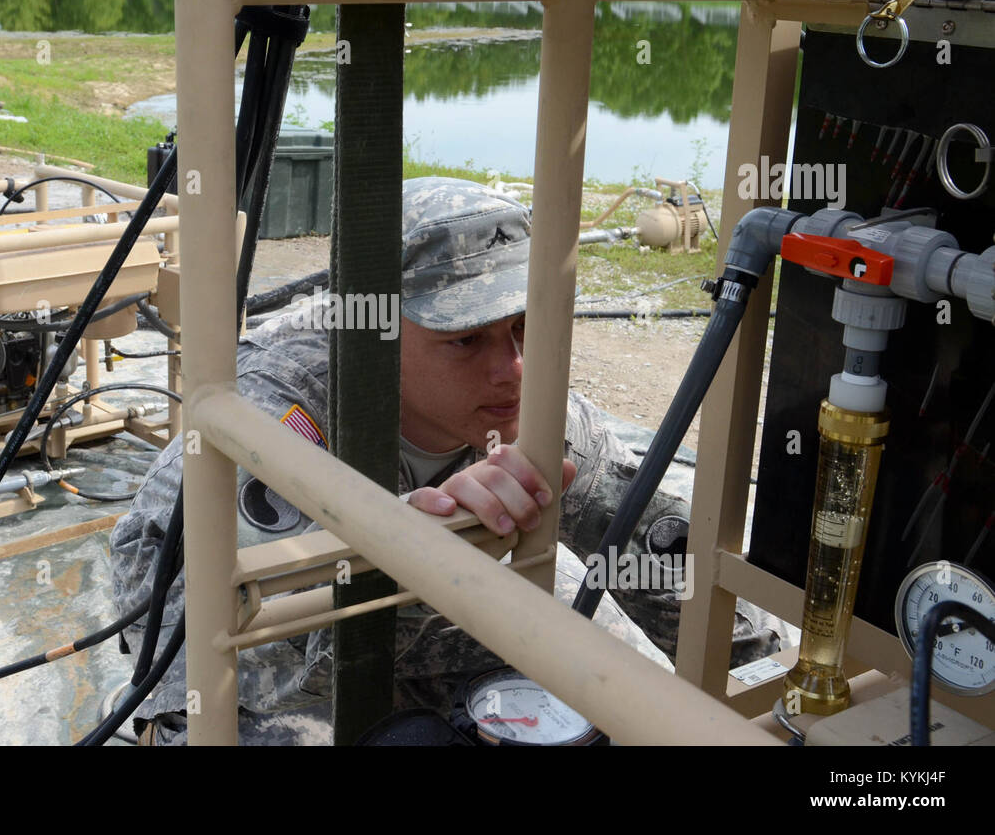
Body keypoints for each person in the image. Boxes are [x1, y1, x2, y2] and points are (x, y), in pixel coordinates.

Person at [109, 177, 788, 745]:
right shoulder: (283, 414)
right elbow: (236, 630)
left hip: (399, 635)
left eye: (525, 326)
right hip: (233, 675)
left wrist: (773, 682)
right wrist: (406, 550)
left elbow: (659, 548)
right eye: (466, 341)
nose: (512, 369)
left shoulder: (529, 409)